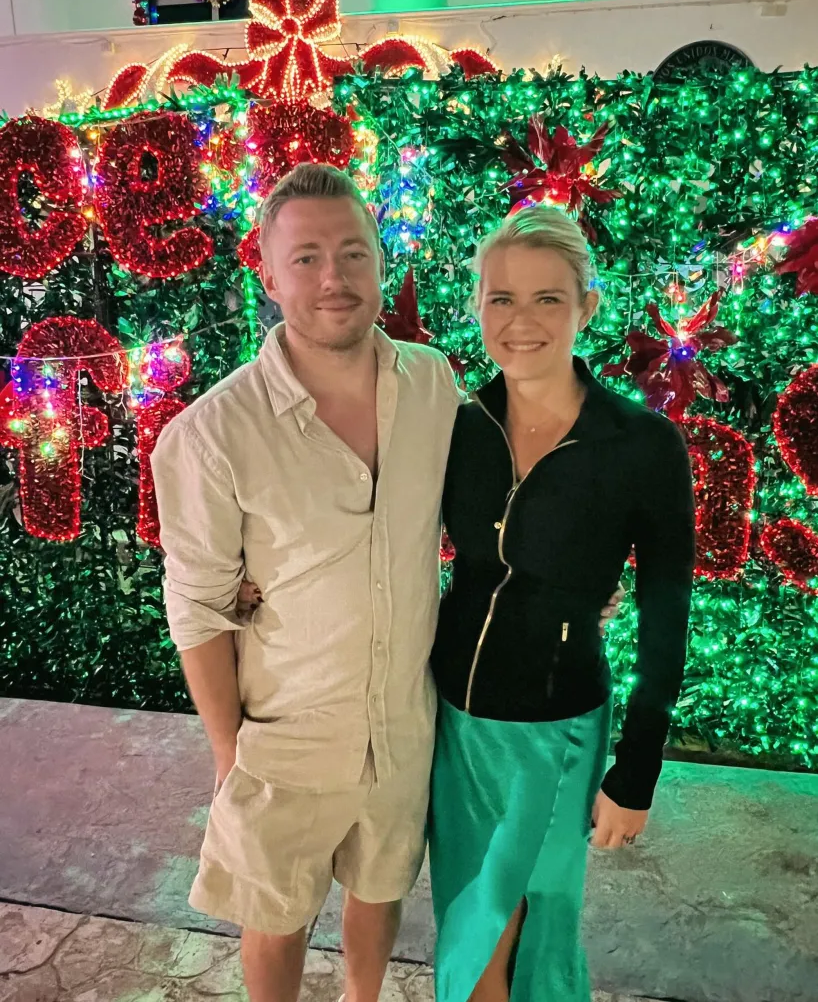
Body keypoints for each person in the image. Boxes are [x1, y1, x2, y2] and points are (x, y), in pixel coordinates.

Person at [152, 164, 623, 1002]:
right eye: (305, 258)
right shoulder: (211, 434)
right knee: (276, 917)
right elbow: (196, 609)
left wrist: (572, 569)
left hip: (405, 720)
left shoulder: (432, 382)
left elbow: (498, 489)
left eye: (352, 253)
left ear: (379, 259)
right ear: (269, 275)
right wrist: (230, 751)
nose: (332, 278)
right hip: (286, 734)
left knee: (380, 891)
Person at [427, 205, 696, 1002]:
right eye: (502, 298)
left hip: (558, 729)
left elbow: (667, 621)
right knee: (470, 927)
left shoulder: (643, 445)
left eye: (548, 298)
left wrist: (637, 770)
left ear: (587, 306)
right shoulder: (454, 426)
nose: (522, 321)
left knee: (531, 931)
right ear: (478, 307)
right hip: (452, 724)